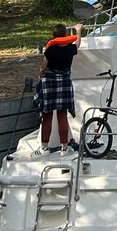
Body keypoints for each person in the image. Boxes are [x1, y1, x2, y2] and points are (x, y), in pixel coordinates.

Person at [34, 23, 82, 154]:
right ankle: (64, 148)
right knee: (62, 115)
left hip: (50, 84)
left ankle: (44, 147)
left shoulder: (50, 50)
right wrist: (78, 31)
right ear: (65, 35)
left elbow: (43, 67)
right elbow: (78, 44)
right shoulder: (70, 49)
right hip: (65, 83)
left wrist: (40, 74)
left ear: (54, 35)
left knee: (47, 115)